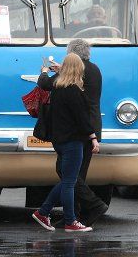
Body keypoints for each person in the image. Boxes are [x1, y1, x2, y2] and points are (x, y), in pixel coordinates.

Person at [39, 39, 108, 226]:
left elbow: (46, 84)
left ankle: (93, 206)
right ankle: (73, 216)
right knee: (77, 174)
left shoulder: (72, 73)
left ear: (72, 54)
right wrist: (62, 69)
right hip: (91, 124)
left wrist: (45, 71)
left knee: (68, 173)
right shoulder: (95, 69)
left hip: (79, 129)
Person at [31, 53, 97, 233]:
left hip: (59, 140)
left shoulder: (57, 87)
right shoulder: (74, 90)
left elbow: (45, 82)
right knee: (69, 183)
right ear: (79, 69)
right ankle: (70, 221)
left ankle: (43, 212)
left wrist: (50, 71)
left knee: (68, 180)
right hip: (72, 141)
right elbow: (82, 119)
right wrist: (93, 137)